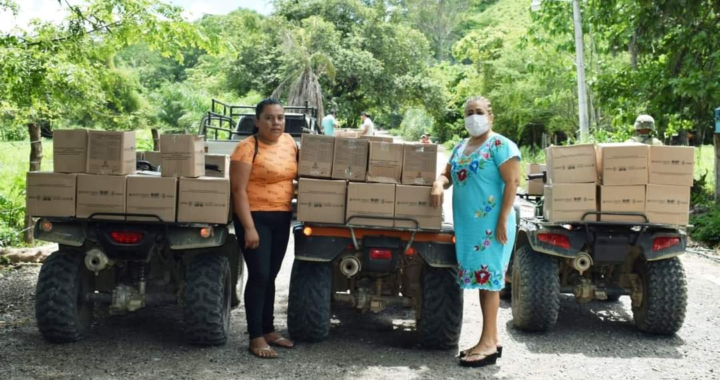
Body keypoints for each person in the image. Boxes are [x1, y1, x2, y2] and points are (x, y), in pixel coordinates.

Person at [431, 96, 521, 368]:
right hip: (470, 228)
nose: (473, 116)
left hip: (493, 226)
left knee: (490, 281)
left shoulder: (501, 145)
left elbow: (512, 181)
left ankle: (488, 343)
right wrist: (438, 182)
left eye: (479, 112)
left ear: (490, 117)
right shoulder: (461, 146)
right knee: (483, 282)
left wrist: (503, 219)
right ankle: (490, 338)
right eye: (469, 112)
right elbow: (447, 174)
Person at [230, 98, 297, 359]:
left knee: (271, 275)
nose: (276, 122)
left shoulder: (290, 142)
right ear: (257, 121)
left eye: (280, 117)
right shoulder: (246, 148)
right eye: (269, 117)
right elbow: (238, 190)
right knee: (258, 274)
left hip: (281, 217)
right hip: (254, 217)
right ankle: (255, 336)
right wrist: (248, 228)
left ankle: (269, 330)